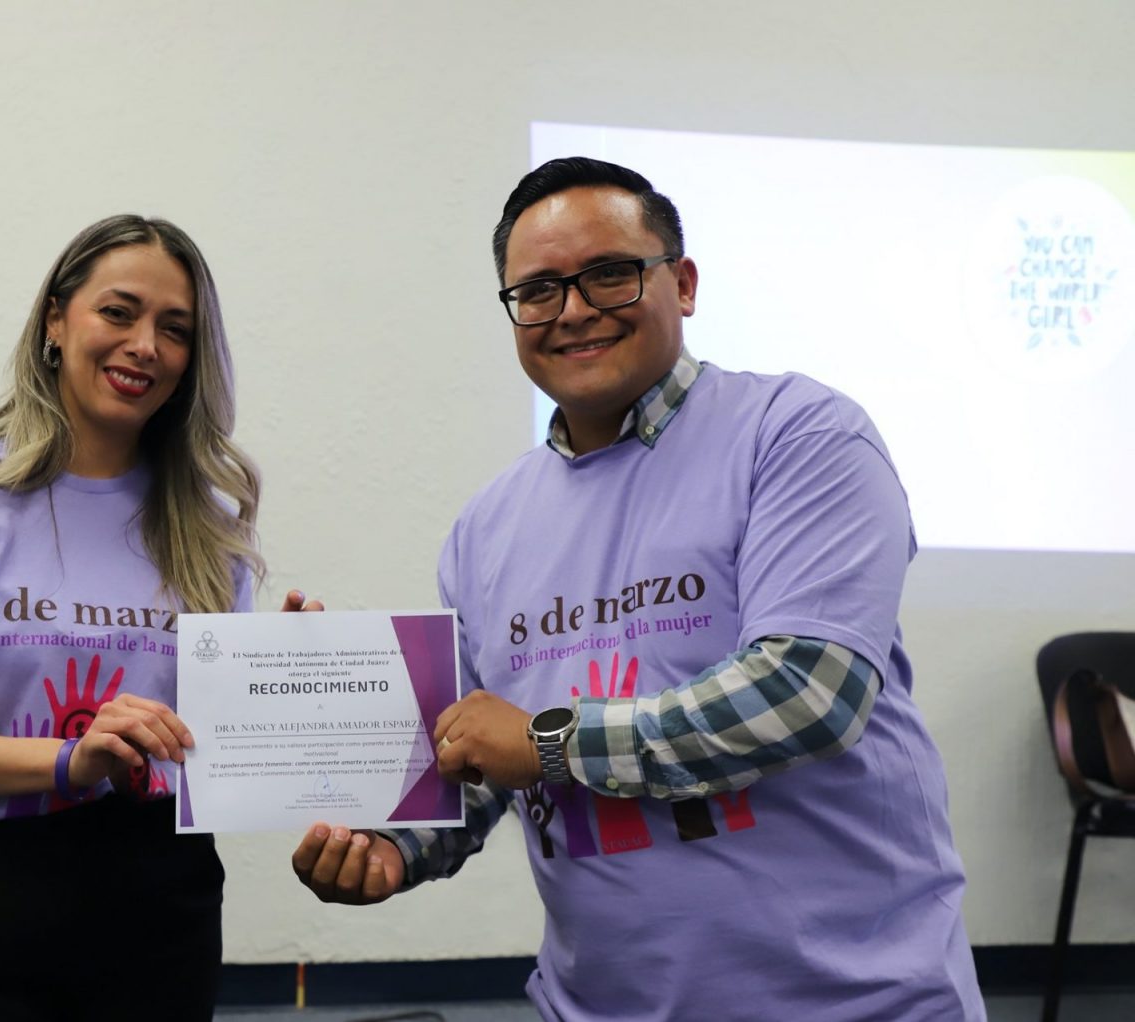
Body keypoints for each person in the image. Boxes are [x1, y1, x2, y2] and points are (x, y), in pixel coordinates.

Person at [293, 158, 986, 1021]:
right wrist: (391, 841)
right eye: (538, 291)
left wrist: (547, 742)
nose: (573, 310)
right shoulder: (485, 528)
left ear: (683, 284)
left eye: (610, 274)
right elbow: (477, 753)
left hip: (852, 1002)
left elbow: (807, 692)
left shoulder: (799, 434)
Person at [0, 214, 316, 1020]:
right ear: (56, 321)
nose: (146, 346)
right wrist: (70, 761)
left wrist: (292, 674)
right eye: (118, 312)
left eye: (175, 330)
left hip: (156, 906)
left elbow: (209, 754)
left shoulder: (210, 530)